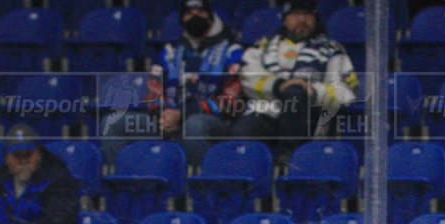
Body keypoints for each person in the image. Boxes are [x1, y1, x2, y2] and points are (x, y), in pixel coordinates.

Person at [101, 0, 245, 167]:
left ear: (210, 15)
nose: (195, 16)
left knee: (193, 126)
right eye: (189, 13)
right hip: (168, 121)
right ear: (182, 19)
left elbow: (230, 100)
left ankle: (197, 188)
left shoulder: (231, 51)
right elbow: (153, 91)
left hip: (213, 123)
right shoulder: (170, 52)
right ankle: (127, 183)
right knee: (112, 124)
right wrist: (163, 116)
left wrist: (183, 114)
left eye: (200, 12)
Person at [235, 0, 359, 156]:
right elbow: (246, 76)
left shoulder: (332, 49)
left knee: (295, 93)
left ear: (315, 18)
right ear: (285, 18)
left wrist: (312, 91)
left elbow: (347, 91)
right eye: (296, 14)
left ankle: (290, 161)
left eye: (307, 14)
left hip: (309, 116)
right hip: (266, 112)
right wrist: (278, 86)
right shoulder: (263, 46)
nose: (302, 19)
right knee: (242, 133)